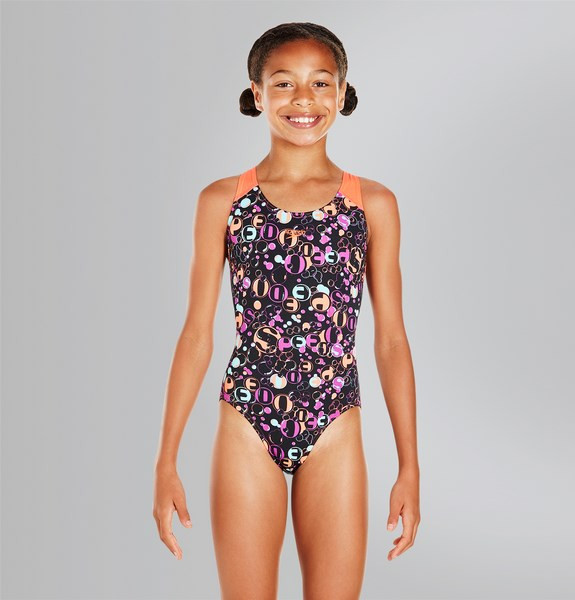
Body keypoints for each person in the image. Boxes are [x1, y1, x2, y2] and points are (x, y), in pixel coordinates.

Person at [153, 21, 420, 599]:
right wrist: (165, 460)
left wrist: (409, 466)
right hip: (248, 417)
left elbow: (391, 340)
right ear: (257, 93)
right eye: (283, 83)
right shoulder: (223, 201)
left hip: (335, 418)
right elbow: (196, 334)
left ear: (342, 92)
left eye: (320, 82)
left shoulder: (371, 204)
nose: (304, 99)